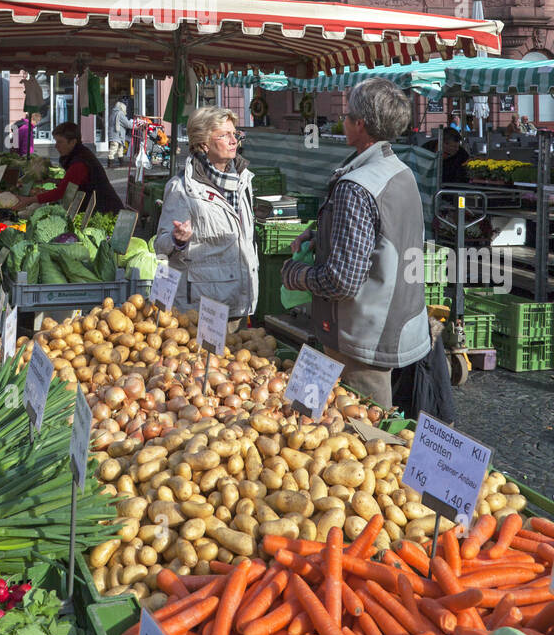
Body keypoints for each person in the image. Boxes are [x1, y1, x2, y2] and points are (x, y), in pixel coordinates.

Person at [280, 78, 430, 410]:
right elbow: (382, 238)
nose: (343, 121)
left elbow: (341, 280)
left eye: (347, 116)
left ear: (360, 124)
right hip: (395, 323)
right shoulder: (400, 172)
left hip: (362, 337)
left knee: (364, 433)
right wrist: (321, 235)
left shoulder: (357, 186)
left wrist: (294, 274)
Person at [156, 107, 258, 319]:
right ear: (203, 144)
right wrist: (178, 239)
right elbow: (161, 244)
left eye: (235, 134)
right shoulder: (182, 188)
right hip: (203, 308)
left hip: (240, 302)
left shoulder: (243, 181)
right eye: (224, 135)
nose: (233, 141)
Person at [13, 122, 123, 215]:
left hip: (106, 211)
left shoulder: (79, 163)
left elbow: (63, 192)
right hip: (99, 207)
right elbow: (73, 184)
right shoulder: (80, 154)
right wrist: (50, 180)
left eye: (60, 142)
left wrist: (29, 200)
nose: (56, 146)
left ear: (73, 142)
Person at [108, 97, 133, 167]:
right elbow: (127, 124)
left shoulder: (113, 112)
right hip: (117, 135)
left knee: (119, 148)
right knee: (114, 148)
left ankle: (120, 163)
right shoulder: (120, 114)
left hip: (114, 134)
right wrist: (135, 126)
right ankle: (110, 163)